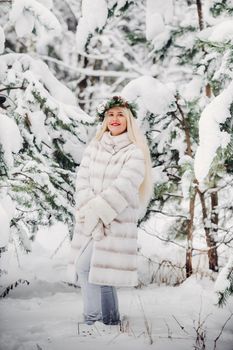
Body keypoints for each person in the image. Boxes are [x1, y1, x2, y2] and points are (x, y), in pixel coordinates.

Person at [68, 95, 153, 332]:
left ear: (129, 120)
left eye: (120, 115)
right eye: (110, 115)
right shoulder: (93, 148)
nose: (115, 119)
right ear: (105, 119)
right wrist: (89, 210)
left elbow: (125, 187)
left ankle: (91, 321)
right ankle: (112, 321)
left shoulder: (134, 152)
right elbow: (82, 181)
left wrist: (99, 211)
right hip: (90, 219)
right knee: (99, 271)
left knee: (86, 267)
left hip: (114, 221)